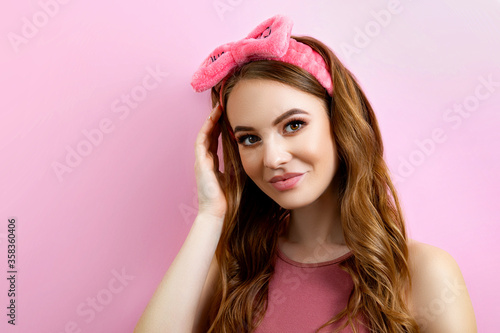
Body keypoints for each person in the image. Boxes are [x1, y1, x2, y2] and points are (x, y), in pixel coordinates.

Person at [134, 15, 477, 333]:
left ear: (339, 123)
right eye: (249, 138)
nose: (273, 158)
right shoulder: (235, 269)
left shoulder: (425, 273)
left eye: (293, 125)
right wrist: (210, 214)